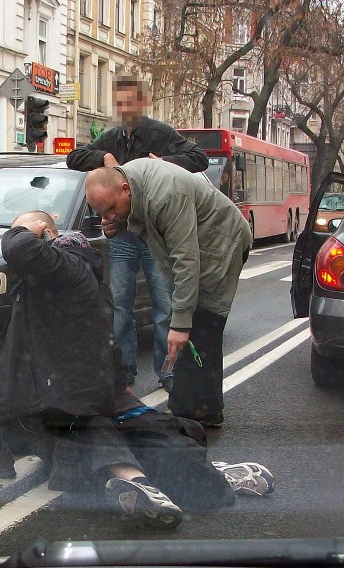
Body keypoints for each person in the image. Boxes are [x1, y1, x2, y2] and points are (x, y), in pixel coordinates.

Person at [0, 211, 185, 529]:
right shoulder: (96, 286)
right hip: (70, 405)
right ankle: (134, 478)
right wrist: (117, 389)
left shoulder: (59, 267)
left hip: (25, 403)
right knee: (86, 417)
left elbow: (18, 249)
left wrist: (24, 230)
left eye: (24, 231)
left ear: (43, 236)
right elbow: (110, 348)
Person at [66, 74, 208, 393]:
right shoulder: (112, 137)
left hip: (156, 235)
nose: (125, 107)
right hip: (124, 236)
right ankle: (124, 371)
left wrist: (166, 162)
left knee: (163, 306)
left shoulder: (159, 133)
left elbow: (198, 158)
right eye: (120, 102)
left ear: (143, 103)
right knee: (120, 306)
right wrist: (103, 158)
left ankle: (167, 371)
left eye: (131, 101)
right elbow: (73, 158)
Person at [84, 159, 253, 426]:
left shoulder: (167, 194)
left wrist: (181, 323)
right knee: (191, 329)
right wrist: (119, 225)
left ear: (125, 189)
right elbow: (147, 225)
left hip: (220, 242)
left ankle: (201, 411)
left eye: (112, 209)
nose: (109, 217)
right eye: (101, 214)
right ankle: (192, 407)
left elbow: (187, 259)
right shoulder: (131, 186)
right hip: (198, 245)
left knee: (201, 324)